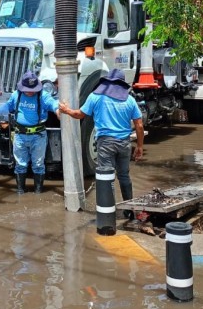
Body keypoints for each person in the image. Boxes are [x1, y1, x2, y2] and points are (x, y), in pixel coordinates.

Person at [58, 68, 144, 218]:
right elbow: (139, 125)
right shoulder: (129, 100)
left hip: (106, 144)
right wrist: (140, 146)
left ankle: (107, 212)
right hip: (124, 144)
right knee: (124, 176)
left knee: (106, 176)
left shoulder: (95, 97)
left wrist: (66, 110)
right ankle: (129, 210)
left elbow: (79, 115)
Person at [0, 71, 59, 194]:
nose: (29, 92)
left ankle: (38, 192)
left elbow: (53, 103)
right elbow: (7, 106)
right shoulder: (16, 95)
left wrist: (58, 109)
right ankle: (20, 191)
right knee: (20, 165)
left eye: (32, 89)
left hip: (38, 136)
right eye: (26, 89)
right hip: (20, 136)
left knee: (38, 165)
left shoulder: (42, 96)